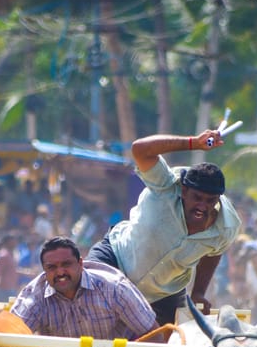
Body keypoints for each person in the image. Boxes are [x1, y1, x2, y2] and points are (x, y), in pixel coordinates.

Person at [87, 128, 241, 326]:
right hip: (116, 258)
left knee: (169, 345)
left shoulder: (226, 227)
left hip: (164, 291)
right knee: (85, 299)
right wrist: (194, 142)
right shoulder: (165, 185)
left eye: (210, 200)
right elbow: (140, 149)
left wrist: (199, 293)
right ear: (184, 191)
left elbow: (214, 252)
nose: (202, 206)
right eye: (197, 198)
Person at [10, 236, 160, 347]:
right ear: (44, 271)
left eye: (66, 264)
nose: (60, 273)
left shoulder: (113, 287)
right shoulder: (35, 295)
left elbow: (155, 336)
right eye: (52, 267)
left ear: (80, 263)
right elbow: (12, 340)